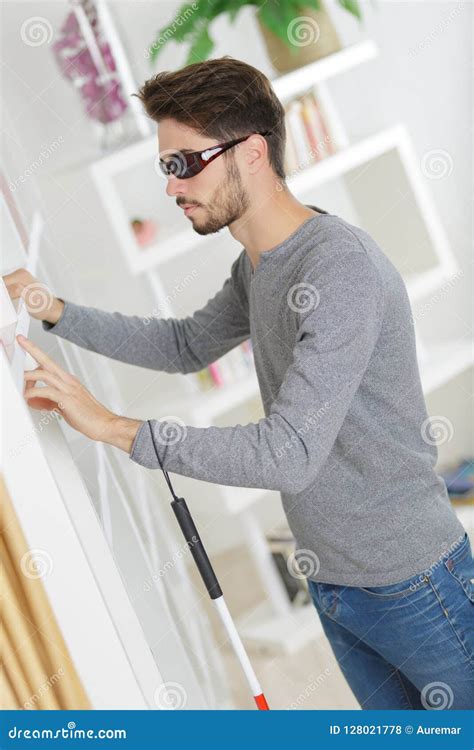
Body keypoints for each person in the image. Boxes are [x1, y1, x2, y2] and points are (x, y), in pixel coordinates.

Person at [4, 56, 473, 710]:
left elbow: (289, 453)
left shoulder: (339, 269)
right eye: (166, 167)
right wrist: (54, 309)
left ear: (251, 152)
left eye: (184, 163)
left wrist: (113, 427)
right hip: (337, 580)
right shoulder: (262, 266)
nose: (172, 187)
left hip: (412, 579)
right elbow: (185, 344)